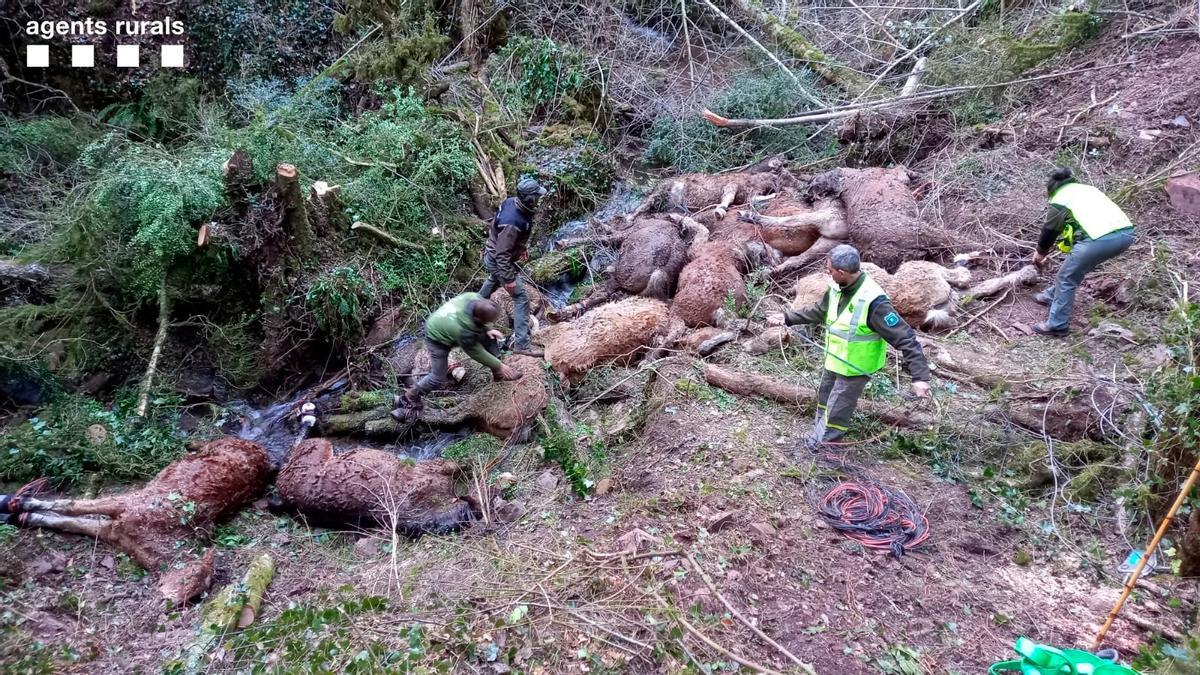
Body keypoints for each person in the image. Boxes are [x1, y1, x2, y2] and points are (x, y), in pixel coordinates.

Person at [768, 245, 931, 446]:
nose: (828, 275)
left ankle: (823, 448)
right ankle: (817, 438)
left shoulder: (875, 302)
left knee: (837, 410)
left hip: (856, 367)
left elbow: (906, 338)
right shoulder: (837, 288)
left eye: (830, 271)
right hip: (834, 359)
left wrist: (920, 377)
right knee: (825, 400)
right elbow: (820, 311)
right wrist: (787, 317)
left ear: (842, 272)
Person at [1031, 167, 1135, 336]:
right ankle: (1051, 295)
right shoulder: (1086, 190)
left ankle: (1057, 325)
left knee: (1066, 277)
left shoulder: (1060, 198)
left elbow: (1050, 230)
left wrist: (1040, 252)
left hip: (1099, 239)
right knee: (1072, 269)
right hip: (1126, 235)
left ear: (1052, 189)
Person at [391, 293, 520, 420]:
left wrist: (487, 330)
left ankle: (498, 375)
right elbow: (476, 352)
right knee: (437, 376)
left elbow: (479, 324)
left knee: (488, 337)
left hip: (447, 323)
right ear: (479, 319)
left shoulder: (473, 297)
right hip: (436, 338)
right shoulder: (463, 331)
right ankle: (409, 396)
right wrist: (499, 365)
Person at [479, 177, 547, 356]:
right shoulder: (512, 223)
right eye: (536, 196)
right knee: (521, 298)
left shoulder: (511, 202)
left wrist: (520, 248)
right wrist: (509, 279)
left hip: (493, 255)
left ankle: (471, 306)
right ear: (529, 198)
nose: (538, 199)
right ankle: (522, 344)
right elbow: (502, 252)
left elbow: (497, 230)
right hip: (498, 259)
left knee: (493, 278)